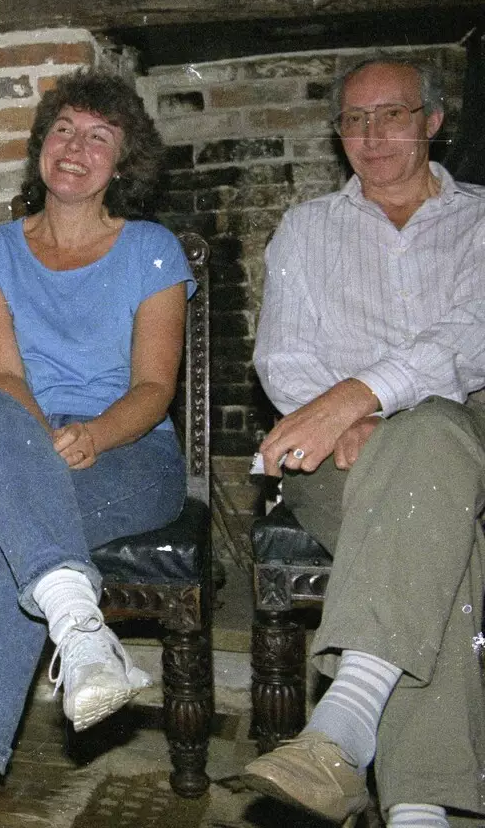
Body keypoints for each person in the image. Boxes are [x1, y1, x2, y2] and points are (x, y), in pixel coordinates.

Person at [0, 72, 193, 828]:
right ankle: (82, 630)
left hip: (128, 451)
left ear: (124, 162)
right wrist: (44, 441)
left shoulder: (152, 250)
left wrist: (93, 435)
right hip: (14, 441)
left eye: (99, 137)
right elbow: (2, 372)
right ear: (41, 145)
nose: (77, 148)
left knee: (14, 534)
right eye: (65, 129)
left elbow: (155, 387)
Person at [233, 58, 485, 828]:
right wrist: (347, 418)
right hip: (336, 451)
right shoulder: (307, 229)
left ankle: (344, 726)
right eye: (353, 119)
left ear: (433, 121)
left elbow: (472, 335)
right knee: (445, 541)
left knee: (435, 431)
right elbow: (282, 356)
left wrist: (365, 397)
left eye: (393, 114)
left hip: (466, 426)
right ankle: (418, 807)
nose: (371, 135)